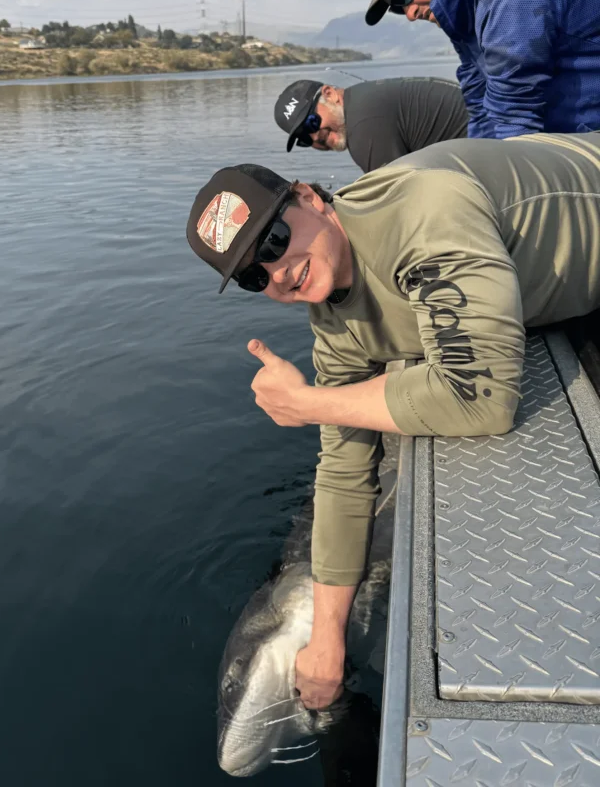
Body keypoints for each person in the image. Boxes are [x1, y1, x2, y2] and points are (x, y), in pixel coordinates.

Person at [186, 132, 600, 711]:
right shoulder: (334, 326)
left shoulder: (424, 212)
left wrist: (310, 404)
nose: (277, 274)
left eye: (274, 240)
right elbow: (344, 468)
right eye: (255, 276)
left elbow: (482, 402)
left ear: (310, 197)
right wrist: (326, 638)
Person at [361, 0, 600, 139]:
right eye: (396, 7)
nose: (410, 13)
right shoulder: (468, 4)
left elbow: (513, 115)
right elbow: (481, 104)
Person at [273, 75, 468, 172]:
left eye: (311, 122)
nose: (315, 136)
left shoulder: (362, 127)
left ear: (330, 94)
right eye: (304, 138)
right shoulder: (361, 100)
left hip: (487, 145)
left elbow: (399, 198)